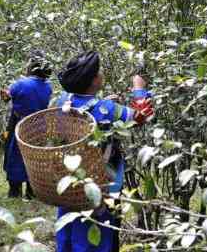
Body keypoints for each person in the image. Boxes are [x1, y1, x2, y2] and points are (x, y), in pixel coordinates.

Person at [54, 51, 154, 252]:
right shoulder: (107, 108)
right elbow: (141, 116)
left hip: (70, 181)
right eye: (98, 72)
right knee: (96, 234)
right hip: (101, 184)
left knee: (69, 229)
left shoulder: (63, 100)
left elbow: (89, 112)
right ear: (92, 81)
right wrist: (139, 89)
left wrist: (102, 103)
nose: (102, 74)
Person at [0, 51, 53, 199]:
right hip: (39, 127)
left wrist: (4, 93)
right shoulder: (48, 86)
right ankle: (32, 191)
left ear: (31, 67)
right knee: (34, 157)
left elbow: (7, 96)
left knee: (14, 155)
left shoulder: (20, 83)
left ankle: (14, 191)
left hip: (19, 125)